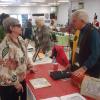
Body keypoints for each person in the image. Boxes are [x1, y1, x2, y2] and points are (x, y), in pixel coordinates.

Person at [0, 17, 33, 100]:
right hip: (10, 84)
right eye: (18, 25)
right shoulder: (5, 46)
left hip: (21, 78)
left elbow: (24, 55)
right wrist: (16, 83)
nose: (21, 27)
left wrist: (29, 65)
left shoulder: (20, 39)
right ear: (11, 28)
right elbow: (5, 69)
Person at [69, 9, 100, 79]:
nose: (72, 23)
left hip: (90, 71)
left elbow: (96, 53)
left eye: (74, 21)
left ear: (82, 21)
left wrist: (84, 67)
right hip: (80, 67)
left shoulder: (93, 32)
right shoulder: (80, 31)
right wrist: (71, 62)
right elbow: (76, 49)